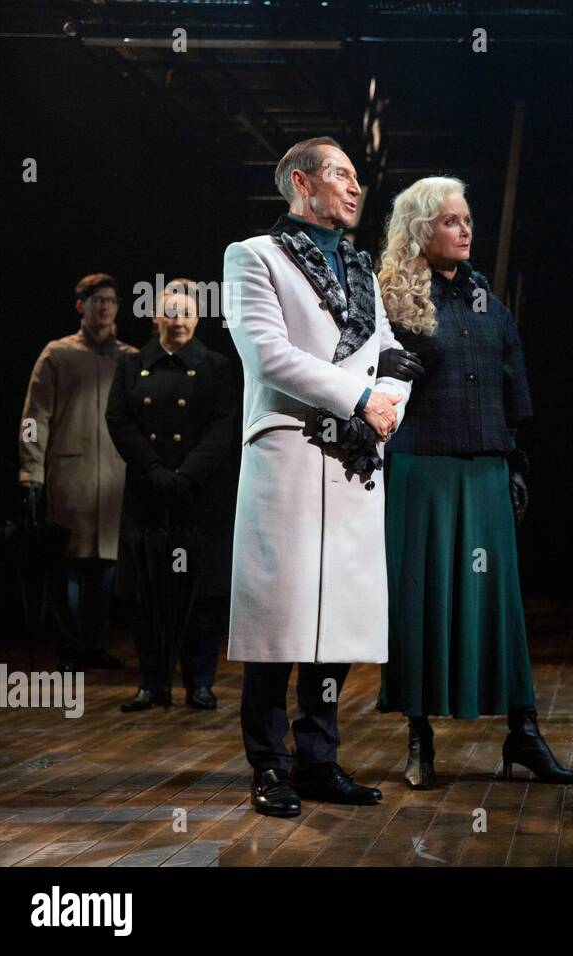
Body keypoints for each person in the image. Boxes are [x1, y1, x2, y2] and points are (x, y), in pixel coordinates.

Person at [223, 136, 412, 817]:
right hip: (294, 451)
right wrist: (358, 398)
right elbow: (268, 354)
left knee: (336, 620)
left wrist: (384, 409)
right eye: (341, 175)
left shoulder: (361, 269)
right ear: (302, 183)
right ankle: (269, 764)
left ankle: (318, 759)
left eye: (357, 177)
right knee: (281, 619)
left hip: (356, 455)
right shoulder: (253, 256)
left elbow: (392, 355)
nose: (355, 187)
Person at [374, 175, 573, 788]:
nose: (465, 230)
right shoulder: (391, 299)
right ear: (420, 230)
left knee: (500, 605)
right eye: (449, 221)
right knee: (422, 601)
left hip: (488, 467)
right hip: (423, 468)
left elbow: (510, 377)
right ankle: (420, 739)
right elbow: (367, 375)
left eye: (467, 219)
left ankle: (524, 734)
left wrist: (516, 461)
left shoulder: (486, 297)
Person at [106, 278, 238, 712]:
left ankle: (200, 683)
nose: (179, 319)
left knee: (199, 594)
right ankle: (151, 683)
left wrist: (188, 474)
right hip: (150, 495)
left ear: (198, 317)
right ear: (155, 316)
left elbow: (224, 424)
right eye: (170, 311)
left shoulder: (216, 366)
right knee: (149, 590)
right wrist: (153, 469)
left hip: (197, 497)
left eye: (187, 311)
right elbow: (119, 419)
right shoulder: (131, 366)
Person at [18, 273, 137, 671]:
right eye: (96, 300)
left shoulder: (130, 357)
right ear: (80, 305)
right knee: (69, 567)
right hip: (70, 474)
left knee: (106, 568)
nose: (104, 307)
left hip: (116, 480)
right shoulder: (57, 354)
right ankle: (70, 650)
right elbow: (35, 418)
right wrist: (30, 473)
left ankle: (96, 646)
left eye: (110, 300)